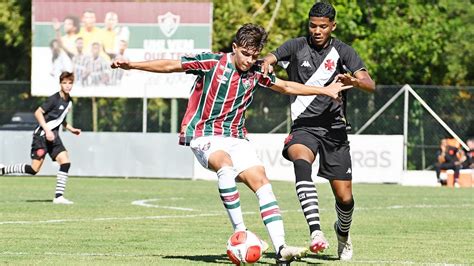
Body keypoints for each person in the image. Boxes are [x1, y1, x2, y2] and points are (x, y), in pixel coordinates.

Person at [111, 23, 351, 264]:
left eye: (254, 55)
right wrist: (132, 65)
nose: (249, 60)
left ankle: (281, 248)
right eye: (245, 54)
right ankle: (241, 232)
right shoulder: (212, 62)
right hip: (204, 133)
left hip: (236, 136)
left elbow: (287, 86)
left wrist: (325, 91)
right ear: (235, 48)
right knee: (224, 166)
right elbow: (171, 65)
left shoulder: (257, 71)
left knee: (263, 183)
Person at [261, 2, 375, 260]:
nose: (317, 30)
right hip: (303, 127)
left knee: (345, 199)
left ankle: (342, 234)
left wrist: (354, 81)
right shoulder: (296, 46)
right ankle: (316, 232)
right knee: (300, 160)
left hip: (335, 131)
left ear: (332, 26)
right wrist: (268, 61)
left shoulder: (344, 52)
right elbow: (272, 56)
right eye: (313, 25)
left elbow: (370, 84)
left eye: (323, 26)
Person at [0, 72, 81, 204]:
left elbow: (61, 119)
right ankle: (3, 170)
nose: (67, 86)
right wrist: (47, 130)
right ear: (60, 84)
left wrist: (71, 129)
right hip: (41, 137)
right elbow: (38, 112)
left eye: (70, 83)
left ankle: (58, 197)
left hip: (54, 138)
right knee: (34, 169)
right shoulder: (54, 99)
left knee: (65, 162)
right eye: (64, 83)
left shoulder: (69, 102)